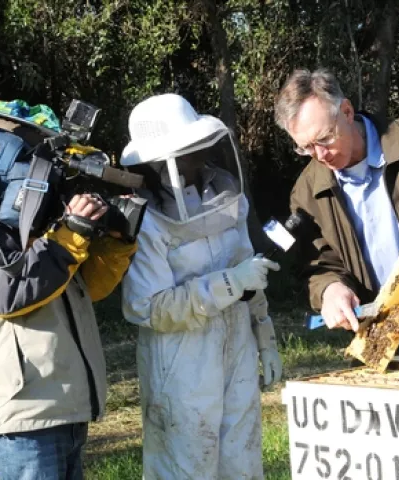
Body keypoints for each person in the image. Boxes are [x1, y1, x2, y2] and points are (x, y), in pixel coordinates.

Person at [120, 93, 282, 479]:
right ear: (162, 157)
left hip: (237, 347)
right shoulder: (146, 219)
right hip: (179, 363)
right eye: (190, 147)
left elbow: (249, 271)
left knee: (242, 464)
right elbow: (147, 307)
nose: (202, 153)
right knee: (186, 469)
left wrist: (266, 337)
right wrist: (228, 283)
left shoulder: (224, 194)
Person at [0, 192, 137, 479]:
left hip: (64, 408)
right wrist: (71, 234)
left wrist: (114, 240)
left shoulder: (39, 214)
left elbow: (86, 288)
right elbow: (7, 294)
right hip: (18, 420)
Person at [274, 67, 399, 362]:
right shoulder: (307, 190)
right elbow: (319, 264)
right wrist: (330, 290)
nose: (320, 155)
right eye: (305, 147)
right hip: (389, 340)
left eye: (324, 138)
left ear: (347, 111)